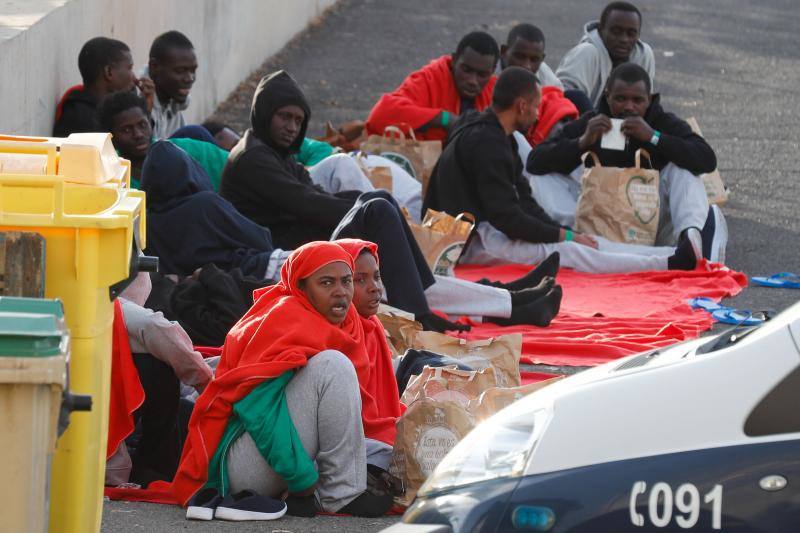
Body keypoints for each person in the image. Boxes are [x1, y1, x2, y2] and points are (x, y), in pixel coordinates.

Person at [167, 242, 395, 517]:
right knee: (333, 365)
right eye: (326, 283)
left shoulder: (347, 322)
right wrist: (303, 481)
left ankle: (339, 487)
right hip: (241, 467)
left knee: (393, 448)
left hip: (278, 457)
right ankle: (341, 494)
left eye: (346, 281)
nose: (341, 292)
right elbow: (258, 410)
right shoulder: (286, 319)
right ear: (301, 287)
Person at [424, 66, 698, 273]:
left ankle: (669, 255)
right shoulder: (487, 142)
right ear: (521, 106)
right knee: (568, 252)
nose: (538, 115)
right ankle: (665, 263)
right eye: (536, 107)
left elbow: (524, 200)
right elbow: (508, 218)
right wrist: (562, 236)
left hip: (481, 230)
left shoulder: (496, 134)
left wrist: (563, 232)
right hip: (464, 244)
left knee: (578, 243)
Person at [528, 63, 725, 260]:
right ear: (608, 97)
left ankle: (689, 241)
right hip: (599, 224)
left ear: (649, 100)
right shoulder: (595, 121)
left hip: (650, 220)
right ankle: (578, 240)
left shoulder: (662, 122)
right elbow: (534, 161)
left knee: (683, 170)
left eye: (637, 100)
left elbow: (706, 160)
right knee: (542, 177)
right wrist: (582, 142)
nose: (629, 107)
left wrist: (653, 137)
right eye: (620, 99)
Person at [220, 70, 419, 250]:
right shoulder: (253, 157)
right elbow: (304, 202)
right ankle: (411, 275)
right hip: (268, 247)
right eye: (285, 117)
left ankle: (418, 270)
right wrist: (364, 212)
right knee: (374, 214)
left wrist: (368, 205)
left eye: (298, 121)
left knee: (379, 200)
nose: (292, 128)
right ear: (265, 114)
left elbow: (311, 189)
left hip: (288, 230)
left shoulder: (277, 151)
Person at [140, 140, 286, 279]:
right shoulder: (205, 205)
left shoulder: (146, 226)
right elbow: (261, 240)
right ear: (190, 170)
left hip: (189, 292)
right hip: (242, 278)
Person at [365, 31, 499, 142]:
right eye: (466, 70)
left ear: (492, 72)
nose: (472, 81)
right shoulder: (428, 79)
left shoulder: (496, 89)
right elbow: (379, 116)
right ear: (454, 61)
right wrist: (444, 118)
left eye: (482, 75)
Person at [97, 91, 228, 189]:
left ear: (151, 123)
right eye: (126, 130)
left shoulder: (189, 151)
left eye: (142, 125)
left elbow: (235, 166)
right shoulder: (109, 179)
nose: (138, 134)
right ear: (111, 137)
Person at [556, 1, 655, 111]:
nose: (624, 39)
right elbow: (562, 97)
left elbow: (645, 102)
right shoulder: (587, 53)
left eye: (631, 34)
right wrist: (589, 119)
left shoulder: (643, 54)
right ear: (601, 29)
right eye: (616, 32)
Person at [500, 23, 579, 147]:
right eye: (520, 56)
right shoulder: (486, 73)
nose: (527, 65)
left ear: (542, 59)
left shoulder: (549, 82)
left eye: (534, 60)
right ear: (504, 52)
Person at [53, 37, 137, 136]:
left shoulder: (104, 109)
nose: (135, 77)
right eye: (130, 68)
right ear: (109, 72)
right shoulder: (83, 119)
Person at [140, 31, 198, 139]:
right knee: (196, 132)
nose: (190, 78)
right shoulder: (137, 100)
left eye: (193, 70)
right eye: (180, 71)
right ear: (154, 67)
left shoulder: (171, 94)